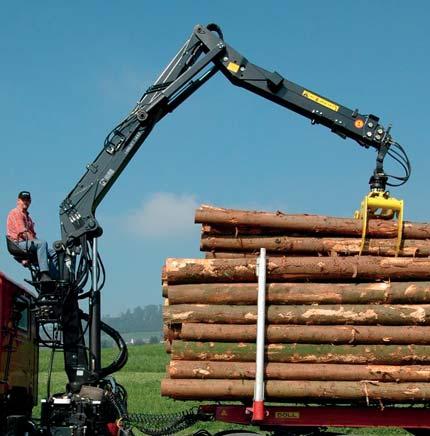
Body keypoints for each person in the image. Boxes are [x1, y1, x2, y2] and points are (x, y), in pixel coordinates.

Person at [6, 191, 57, 281]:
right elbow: (23, 233)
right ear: (18, 201)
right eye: (23, 200)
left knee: (55, 253)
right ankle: (44, 274)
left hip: (27, 243)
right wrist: (38, 244)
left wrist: (39, 246)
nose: (25, 202)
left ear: (30, 202)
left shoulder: (28, 218)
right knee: (42, 243)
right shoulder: (16, 213)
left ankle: (54, 278)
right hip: (18, 244)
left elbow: (33, 235)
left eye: (27, 200)